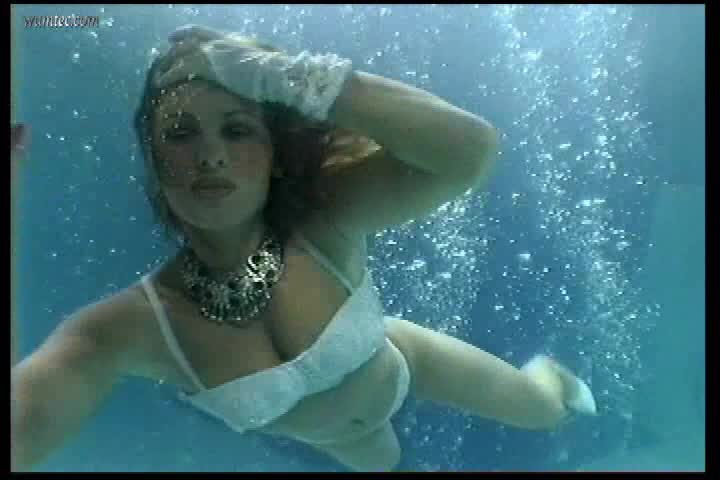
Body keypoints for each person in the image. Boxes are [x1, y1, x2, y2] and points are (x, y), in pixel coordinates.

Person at [10, 25, 596, 472]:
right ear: (154, 160)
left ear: (273, 154)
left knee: (543, 411)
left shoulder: (325, 218)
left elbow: (470, 151)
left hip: (406, 361)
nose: (210, 155)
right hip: (348, 443)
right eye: (181, 134)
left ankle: (552, 376)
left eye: (237, 129)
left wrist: (284, 76)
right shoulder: (124, 330)